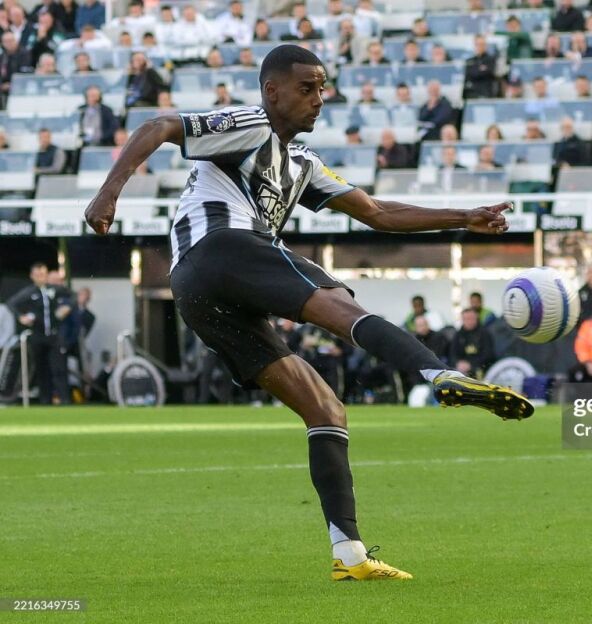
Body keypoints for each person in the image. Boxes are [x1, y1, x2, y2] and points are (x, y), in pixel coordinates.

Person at [83, 45, 534, 581]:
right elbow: (158, 126)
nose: (319, 99)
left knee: (325, 408)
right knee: (340, 305)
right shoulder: (249, 125)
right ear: (271, 91)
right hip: (221, 244)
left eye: (322, 88)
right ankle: (438, 374)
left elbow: (377, 212)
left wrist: (464, 217)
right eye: (307, 88)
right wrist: (109, 193)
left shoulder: (303, 164)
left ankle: (350, 556)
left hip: (196, 291)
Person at [7, 262, 73, 405]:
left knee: (59, 368)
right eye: (37, 275)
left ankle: (65, 400)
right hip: (38, 335)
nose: (40, 278)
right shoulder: (29, 292)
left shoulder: (54, 289)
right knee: (42, 369)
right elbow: (11, 303)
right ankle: (45, 400)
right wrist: (21, 317)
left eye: (43, 274)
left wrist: (67, 307)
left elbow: (72, 296)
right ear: (32, 276)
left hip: (54, 335)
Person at [449, 308, 495, 378]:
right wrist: (458, 363)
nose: (469, 321)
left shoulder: (485, 333)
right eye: (467, 319)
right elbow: (452, 354)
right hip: (462, 369)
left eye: (472, 318)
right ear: (462, 320)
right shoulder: (458, 335)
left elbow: (488, 355)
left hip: (481, 368)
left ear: (477, 318)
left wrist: (471, 364)